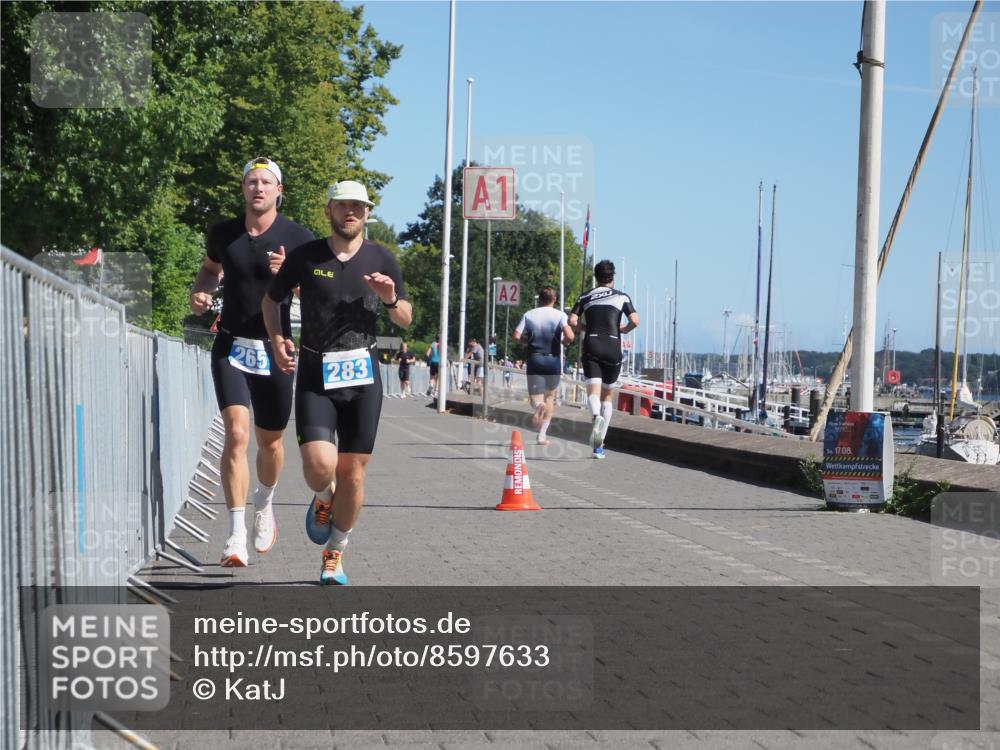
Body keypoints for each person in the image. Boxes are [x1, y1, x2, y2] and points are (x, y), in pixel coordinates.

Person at [262, 179, 411, 585]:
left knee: (354, 475)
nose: (351, 213)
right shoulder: (306, 256)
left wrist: (390, 298)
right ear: (328, 210)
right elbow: (272, 299)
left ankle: (335, 554)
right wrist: (278, 339)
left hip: (363, 375)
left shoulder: (382, 257)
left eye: (358, 207)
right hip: (315, 371)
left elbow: (405, 317)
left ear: (367, 214)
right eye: (343, 206)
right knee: (319, 467)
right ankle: (323, 498)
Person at [189, 157, 314, 567]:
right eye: (251, 182)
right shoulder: (223, 233)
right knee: (237, 434)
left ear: (279, 190)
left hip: (277, 349)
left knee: (271, 443)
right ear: (243, 189)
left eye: (266, 182)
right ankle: (235, 534)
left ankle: (265, 501)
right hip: (231, 345)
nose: (258, 188)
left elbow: (317, 293)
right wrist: (201, 292)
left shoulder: (298, 237)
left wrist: (292, 279)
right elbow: (210, 270)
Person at [568, 260, 639, 459]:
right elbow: (635, 320)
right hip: (613, 346)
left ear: (596, 277)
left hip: (592, 344)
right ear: (612, 277)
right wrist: (623, 330)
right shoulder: (621, 296)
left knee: (593, 391)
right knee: (607, 397)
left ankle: (595, 417)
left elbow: (572, 320)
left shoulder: (585, 296)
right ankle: (600, 445)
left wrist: (584, 329)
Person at [513, 286, 574, 445]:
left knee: (535, 397)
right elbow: (570, 336)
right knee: (550, 398)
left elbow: (516, 335)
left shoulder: (529, 315)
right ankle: (542, 435)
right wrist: (564, 343)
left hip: (535, 358)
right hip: (553, 360)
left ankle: (538, 406)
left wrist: (526, 342)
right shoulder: (560, 315)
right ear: (554, 299)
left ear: (539, 299)